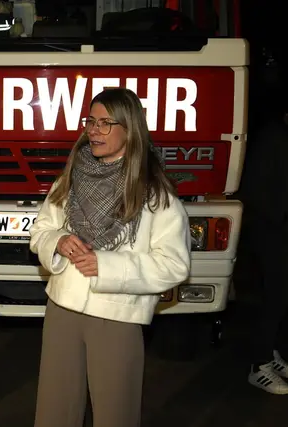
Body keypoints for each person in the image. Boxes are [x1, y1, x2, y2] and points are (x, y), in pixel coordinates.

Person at [29, 88, 191, 427]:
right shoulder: (70, 179)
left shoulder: (154, 193)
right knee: (54, 410)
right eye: (91, 121)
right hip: (62, 308)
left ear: (129, 129)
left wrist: (107, 266)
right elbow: (41, 230)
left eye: (105, 123)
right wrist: (58, 241)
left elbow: (175, 265)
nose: (94, 130)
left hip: (117, 314)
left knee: (115, 413)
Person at [237, 93, 288, 395]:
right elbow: (254, 189)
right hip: (273, 236)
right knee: (273, 299)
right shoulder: (272, 140)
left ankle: (270, 354)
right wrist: (282, 223)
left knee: (282, 300)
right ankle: (259, 366)